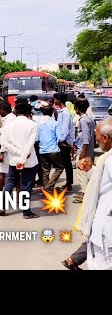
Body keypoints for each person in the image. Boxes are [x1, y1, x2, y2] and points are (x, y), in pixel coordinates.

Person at [74, 117, 112, 269]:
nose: (95, 139)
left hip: (106, 229)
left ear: (105, 138)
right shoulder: (106, 159)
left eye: (96, 135)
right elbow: (104, 183)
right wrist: (91, 169)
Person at [0, 102, 40, 219]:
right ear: (28, 112)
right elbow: (30, 143)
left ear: (15, 112)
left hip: (13, 159)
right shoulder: (32, 125)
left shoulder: (8, 126)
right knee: (26, 185)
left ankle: (2, 206)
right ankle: (26, 212)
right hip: (29, 159)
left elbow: (5, 143)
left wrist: (18, 154)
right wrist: (23, 156)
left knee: (10, 182)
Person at [36, 104, 64, 192]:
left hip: (42, 149)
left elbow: (36, 138)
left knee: (45, 170)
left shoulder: (39, 124)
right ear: (52, 112)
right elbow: (60, 137)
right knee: (59, 168)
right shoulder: (55, 123)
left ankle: (47, 189)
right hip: (53, 149)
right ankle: (49, 186)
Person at [74, 99, 95, 202]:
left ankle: (85, 194)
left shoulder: (83, 120)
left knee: (82, 173)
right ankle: (86, 193)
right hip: (88, 150)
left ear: (77, 109)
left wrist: (82, 154)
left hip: (84, 150)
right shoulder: (89, 119)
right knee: (87, 172)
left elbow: (86, 139)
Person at [54, 93, 75, 192]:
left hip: (65, 142)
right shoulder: (62, 112)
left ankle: (69, 184)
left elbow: (65, 128)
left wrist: (61, 140)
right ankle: (68, 183)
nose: (54, 101)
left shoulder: (65, 113)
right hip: (63, 141)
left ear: (59, 100)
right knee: (66, 163)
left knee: (67, 164)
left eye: (55, 99)